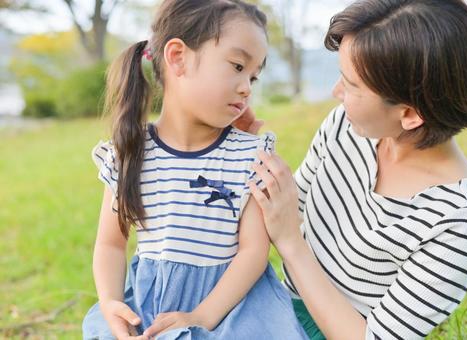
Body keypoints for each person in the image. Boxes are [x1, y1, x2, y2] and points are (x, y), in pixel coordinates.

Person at [245, 0, 467, 339]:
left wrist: (290, 240)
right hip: (273, 302)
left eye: (351, 86)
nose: (335, 93)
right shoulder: (346, 127)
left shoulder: (458, 219)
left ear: (409, 114)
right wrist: (231, 149)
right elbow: (285, 207)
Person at [82, 1, 308, 339]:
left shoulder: (249, 154)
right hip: (152, 305)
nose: (247, 86)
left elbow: (254, 251)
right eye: (236, 66)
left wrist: (202, 315)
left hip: (232, 307)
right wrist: (111, 301)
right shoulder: (130, 152)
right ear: (177, 57)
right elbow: (111, 244)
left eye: (254, 75)